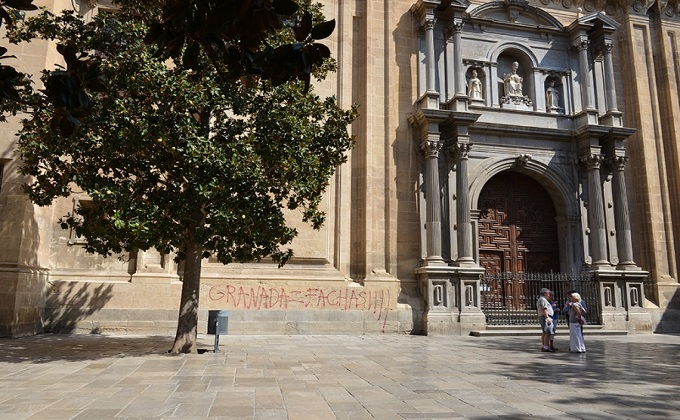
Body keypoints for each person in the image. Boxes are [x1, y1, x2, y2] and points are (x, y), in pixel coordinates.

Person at [536, 288, 554, 352]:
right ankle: (546, 347)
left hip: (543, 317)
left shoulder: (541, 299)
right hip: (545, 317)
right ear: (545, 293)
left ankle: (545, 346)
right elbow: (544, 309)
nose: (549, 295)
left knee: (545, 332)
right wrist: (547, 317)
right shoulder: (543, 300)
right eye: (548, 293)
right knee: (547, 332)